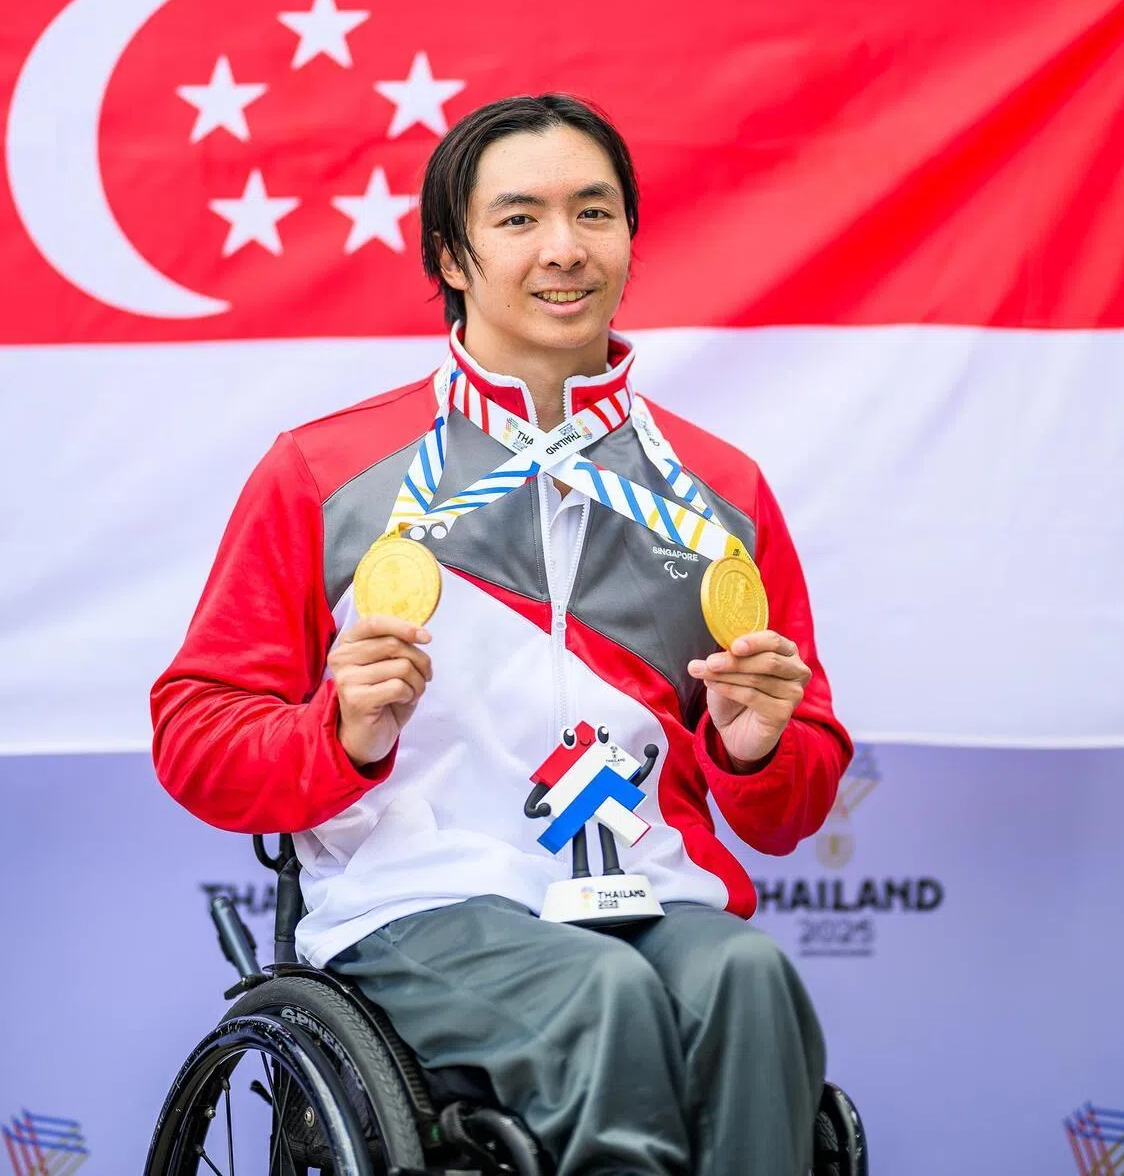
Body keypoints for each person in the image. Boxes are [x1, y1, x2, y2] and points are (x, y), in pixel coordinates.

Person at [152, 94, 852, 1176]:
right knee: (600, 997)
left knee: (750, 982)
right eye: (520, 218)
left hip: (649, 893)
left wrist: (757, 747)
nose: (565, 248)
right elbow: (198, 740)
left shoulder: (719, 491)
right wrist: (338, 732)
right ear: (453, 253)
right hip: (421, 900)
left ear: (630, 238)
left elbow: (795, 798)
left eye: (595, 213)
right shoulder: (329, 472)